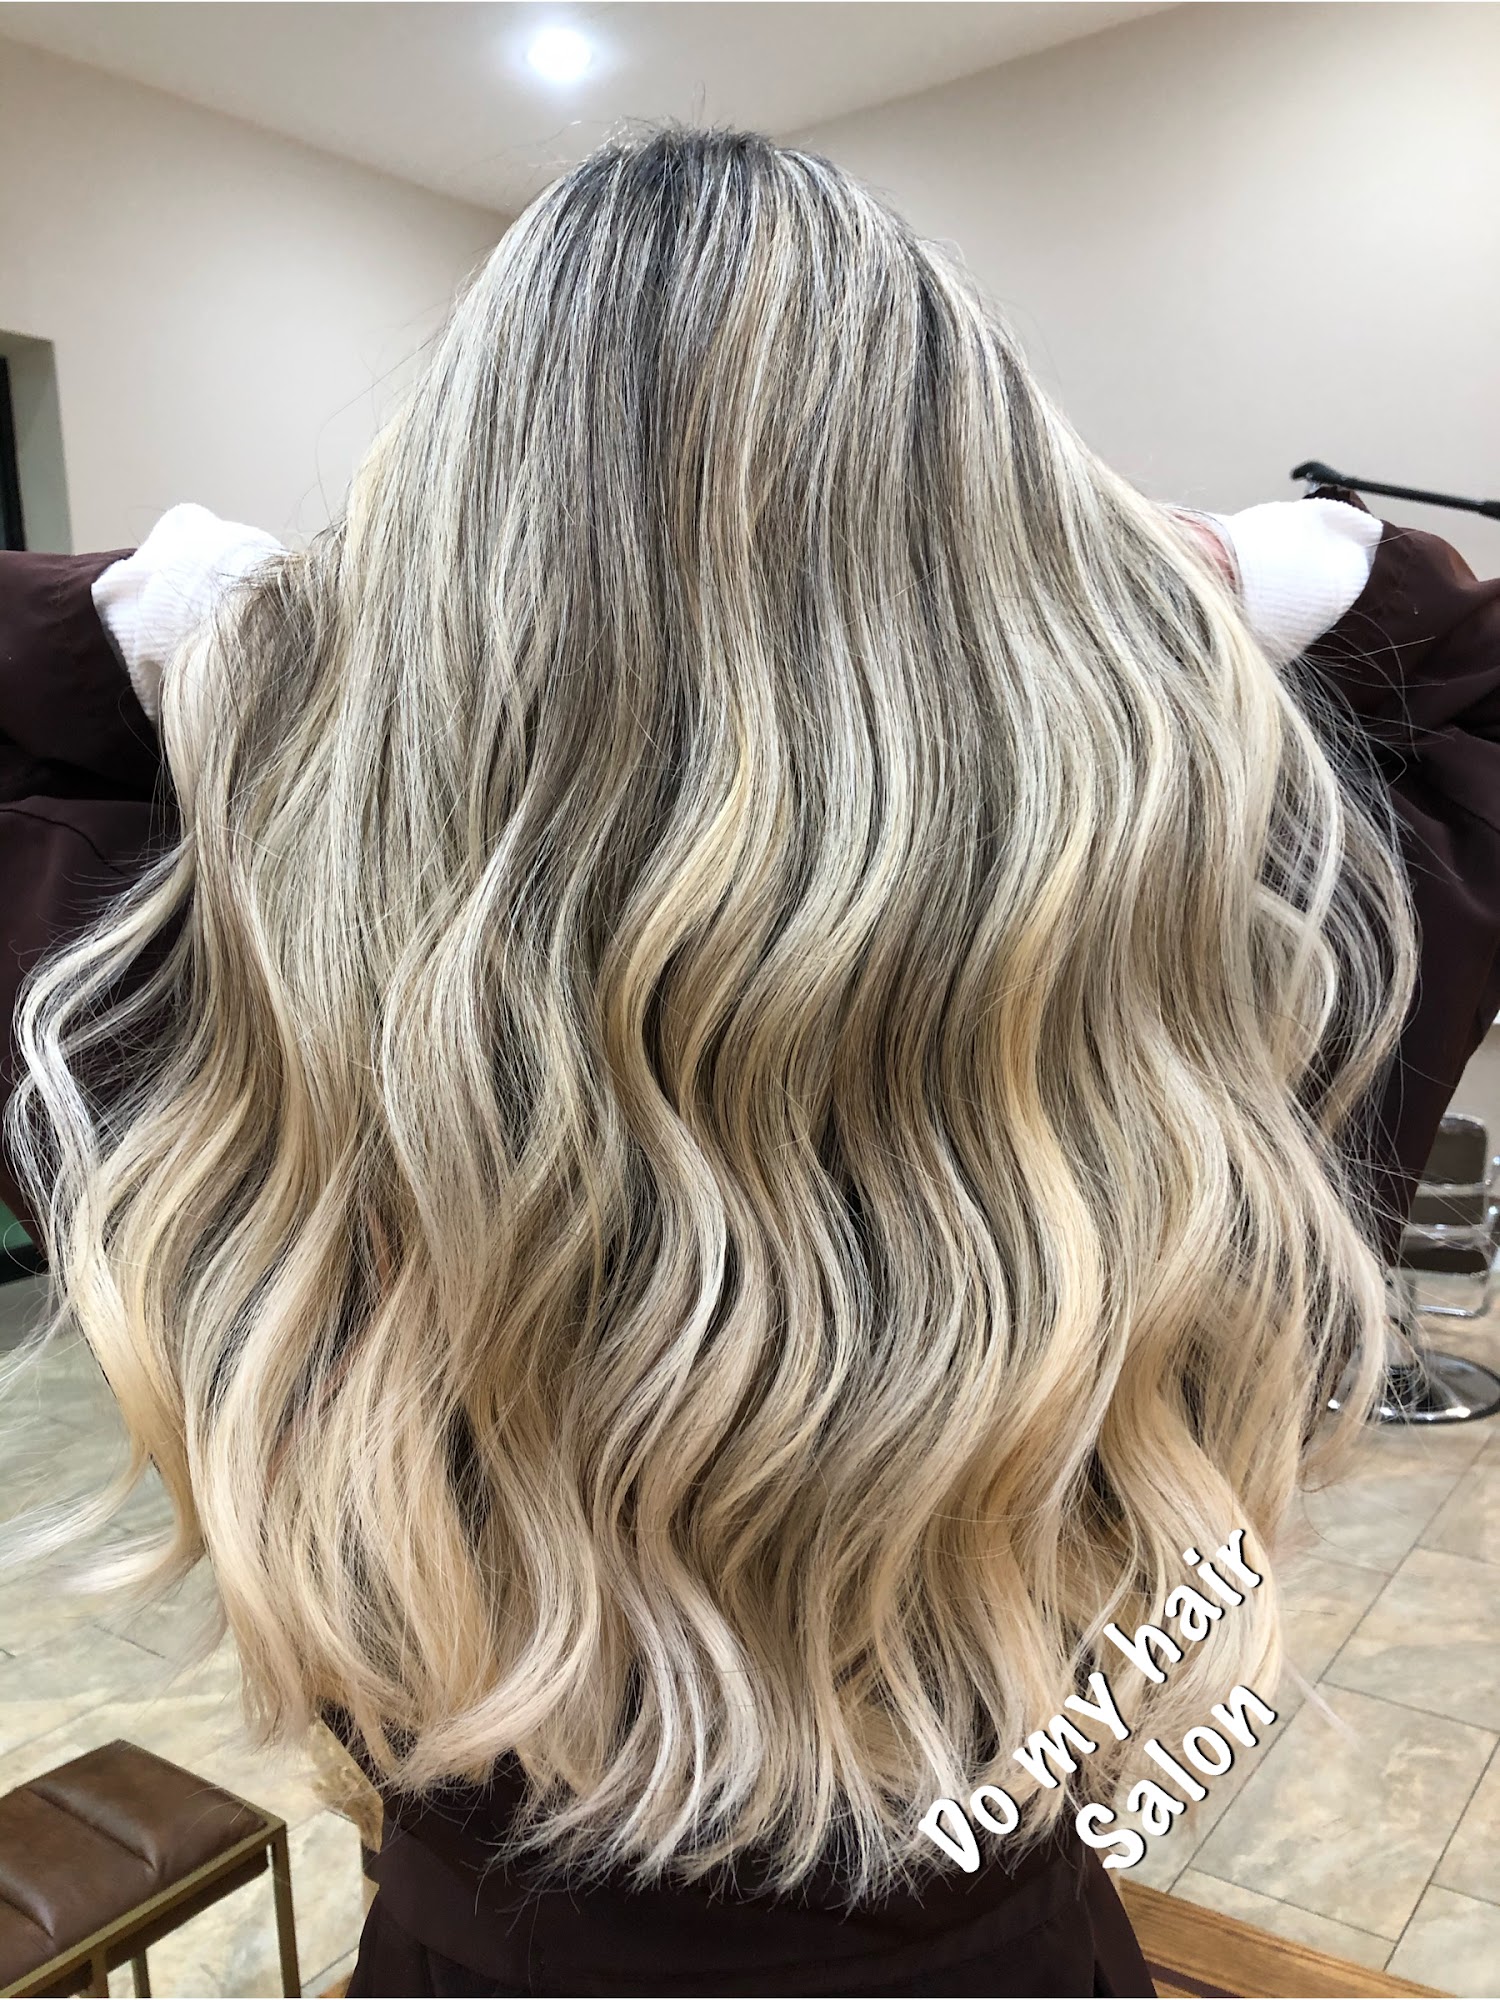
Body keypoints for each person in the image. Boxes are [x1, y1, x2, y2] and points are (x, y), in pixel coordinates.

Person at [1, 126, 1497, 1998]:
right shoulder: (1237, 1009)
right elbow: (1465, 673)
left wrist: (223, 627)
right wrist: (1191, 564)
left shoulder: (194, 1005)